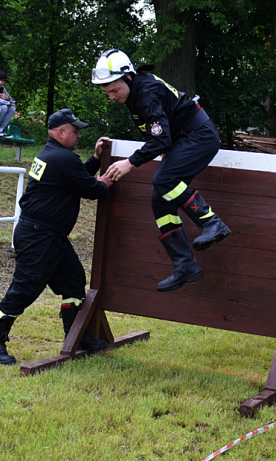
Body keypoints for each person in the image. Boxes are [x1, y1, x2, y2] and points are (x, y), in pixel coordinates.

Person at [0, 109, 114, 365]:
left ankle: (76, 337)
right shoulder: (62, 158)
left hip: (49, 235)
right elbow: (93, 189)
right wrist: (108, 180)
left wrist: (96, 159)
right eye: (74, 130)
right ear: (60, 132)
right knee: (24, 289)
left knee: (74, 281)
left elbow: (76, 178)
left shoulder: (55, 155)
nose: (78, 134)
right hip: (38, 236)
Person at [91, 49, 230, 293]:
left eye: (114, 90)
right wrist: (166, 147)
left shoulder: (145, 91)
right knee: (160, 199)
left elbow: (160, 139)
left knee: (164, 179)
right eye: (107, 93)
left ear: (129, 77)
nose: (111, 96)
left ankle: (212, 222)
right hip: (184, 139)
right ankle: (185, 265)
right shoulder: (133, 94)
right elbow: (159, 133)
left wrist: (129, 162)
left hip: (200, 136)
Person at [0, 69, 17, 138]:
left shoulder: (3, 89)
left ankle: (0, 130)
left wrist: (7, 98)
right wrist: (10, 102)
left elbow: (12, 100)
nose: (0, 82)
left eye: (2, 80)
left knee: (12, 108)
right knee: (4, 107)